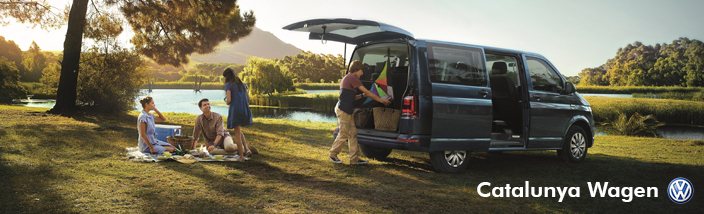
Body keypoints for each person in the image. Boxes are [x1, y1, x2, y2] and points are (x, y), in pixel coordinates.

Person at [329, 60, 391, 165]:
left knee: (352, 134)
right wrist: (382, 101)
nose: (362, 73)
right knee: (343, 133)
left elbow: (351, 98)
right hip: (344, 110)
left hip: (346, 109)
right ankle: (332, 154)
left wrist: (363, 96)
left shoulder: (347, 78)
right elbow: (368, 92)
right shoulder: (353, 78)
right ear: (356, 70)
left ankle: (354, 159)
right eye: (361, 71)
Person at [223, 68, 254, 158]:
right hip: (245, 110)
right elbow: (249, 99)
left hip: (235, 111)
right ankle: (247, 149)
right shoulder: (243, 84)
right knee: (238, 130)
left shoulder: (228, 85)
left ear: (226, 77)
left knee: (237, 134)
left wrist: (226, 102)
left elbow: (229, 100)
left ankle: (241, 156)